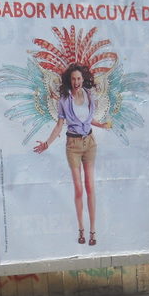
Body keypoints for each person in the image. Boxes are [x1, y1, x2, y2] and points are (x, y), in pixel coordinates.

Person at [33, 63, 98, 246]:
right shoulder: (63, 100)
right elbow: (59, 125)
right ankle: (81, 230)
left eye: (79, 78)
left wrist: (104, 125)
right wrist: (47, 143)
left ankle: (93, 231)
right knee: (79, 188)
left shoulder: (89, 95)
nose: (77, 82)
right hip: (73, 145)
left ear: (82, 79)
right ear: (69, 81)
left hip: (90, 143)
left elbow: (90, 119)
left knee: (90, 187)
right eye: (73, 79)